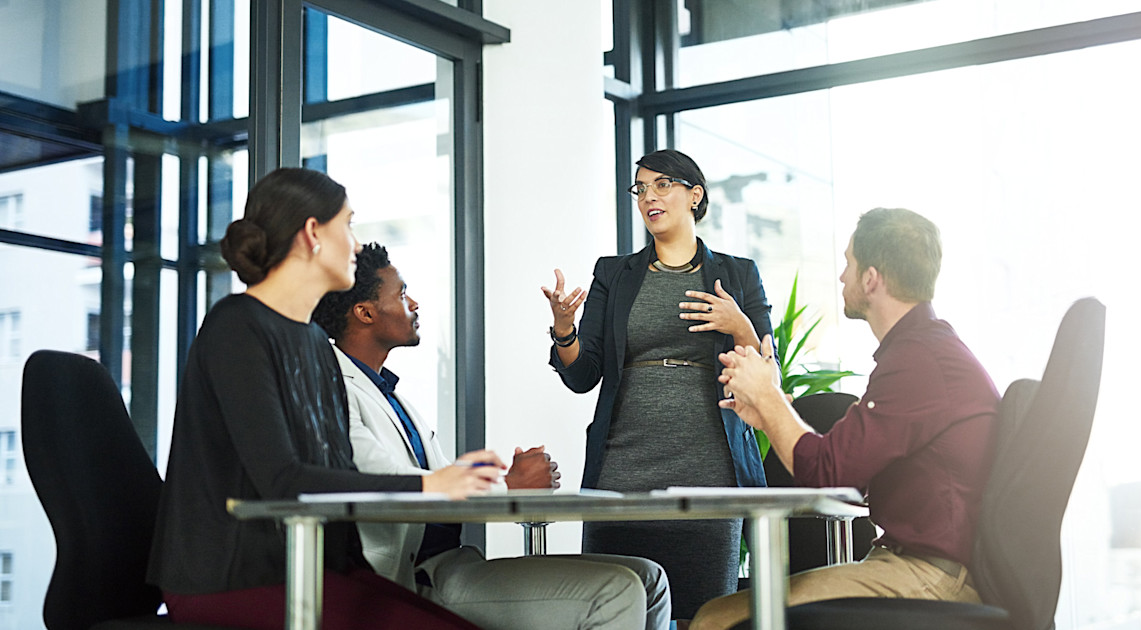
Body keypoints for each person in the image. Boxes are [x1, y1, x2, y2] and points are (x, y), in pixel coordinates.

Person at [147, 168, 501, 630]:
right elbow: (284, 480)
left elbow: (339, 474)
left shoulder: (316, 345)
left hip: (313, 570)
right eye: (348, 225)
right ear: (313, 233)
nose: (355, 244)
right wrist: (429, 486)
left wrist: (361, 574)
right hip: (229, 579)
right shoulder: (237, 327)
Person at [312, 242, 672, 630]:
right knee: (617, 590)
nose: (414, 303)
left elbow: (436, 482)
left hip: (456, 562)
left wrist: (508, 482)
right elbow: (388, 484)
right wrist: (507, 487)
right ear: (365, 312)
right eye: (401, 294)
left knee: (649, 578)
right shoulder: (335, 390)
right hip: (413, 579)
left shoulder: (389, 392)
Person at [690, 208, 1000, 630]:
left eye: (849, 265)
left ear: (871, 279)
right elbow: (847, 474)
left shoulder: (919, 363)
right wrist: (765, 413)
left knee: (714, 619)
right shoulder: (923, 352)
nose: (842, 277)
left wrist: (770, 396)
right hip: (915, 564)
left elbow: (825, 471)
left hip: (930, 577)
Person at [542, 149, 773, 620]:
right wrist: (564, 328)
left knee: (703, 613)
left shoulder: (738, 274)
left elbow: (770, 375)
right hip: (623, 469)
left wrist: (739, 323)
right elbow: (583, 374)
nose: (649, 196)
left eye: (662, 184)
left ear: (695, 195)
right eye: (641, 188)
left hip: (708, 468)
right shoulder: (614, 273)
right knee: (617, 610)